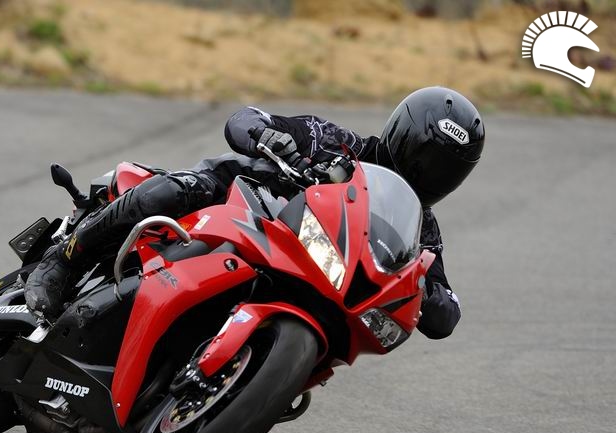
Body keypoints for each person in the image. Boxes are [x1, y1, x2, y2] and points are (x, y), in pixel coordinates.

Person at [25, 86, 485, 339]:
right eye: (424, 156)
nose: (428, 173)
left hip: (298, 272)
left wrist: (431, 298)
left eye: (445, 170)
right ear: (401, 134)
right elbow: (244, 119)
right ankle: (63, 260)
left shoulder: (420, 231)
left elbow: (446, 308)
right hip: (234, 203)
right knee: (173, 192)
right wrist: (267, 137)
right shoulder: (336, 142)